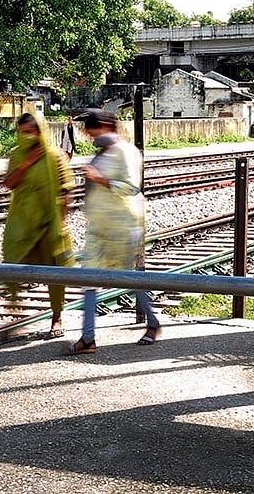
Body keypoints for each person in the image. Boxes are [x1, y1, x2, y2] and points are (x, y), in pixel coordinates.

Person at [67, 108, 160, 354]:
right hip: (99, 225)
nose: (90, 137)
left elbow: (131, 187)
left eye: (91, 131)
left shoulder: (126, 151)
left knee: (129, 278)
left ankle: (153, 323)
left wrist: (99, 179)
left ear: (105, 127)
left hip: (123, 223)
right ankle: (88, 338)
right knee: (88, 279)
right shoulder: (104, 151)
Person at [2, 112, 76, 339]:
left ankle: (57, 317)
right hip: (22, 221)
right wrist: (27, 164)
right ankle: (15, 314)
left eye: (32, 132)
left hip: (48, 223)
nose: (27, 137)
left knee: (55, 272)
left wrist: (61, 221)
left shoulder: (55, 156)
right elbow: (9, 183)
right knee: (12, 264)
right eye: (23, 132)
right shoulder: (17, 155)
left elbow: (67, 190)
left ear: (41, 131)